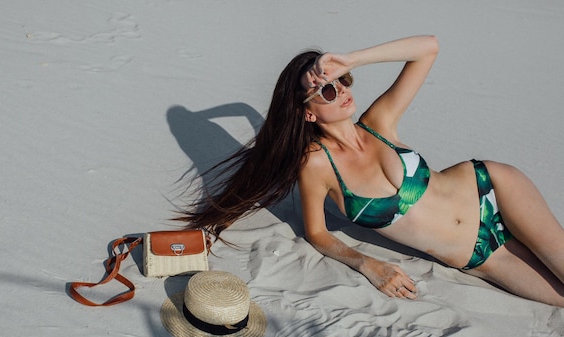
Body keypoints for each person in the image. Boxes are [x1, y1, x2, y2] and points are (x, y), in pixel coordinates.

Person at [176, 35, 564, 307]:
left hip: (492, 187)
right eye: (328, 90)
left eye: (343, 81)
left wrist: (353, 59)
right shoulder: (315, 165)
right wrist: (367, 264)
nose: (342, 90)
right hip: (480, 255)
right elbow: (317, 233)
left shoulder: (379, 122)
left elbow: (429, 47)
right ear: (307, 112)